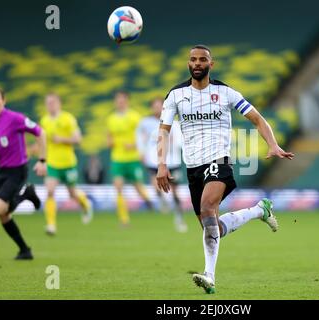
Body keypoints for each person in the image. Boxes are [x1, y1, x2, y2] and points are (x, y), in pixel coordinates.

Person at [156, 45, 295, 294]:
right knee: (213, 228)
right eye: (193, 59)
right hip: (193, 167)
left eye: (202, 60)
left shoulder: (225, 92)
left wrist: (273, 144)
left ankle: (209, 276)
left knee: (208, 207)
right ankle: (258, 211)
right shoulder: (175, 95)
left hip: (219, 161)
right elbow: (164, 131)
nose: (197, 63)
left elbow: (257, 119)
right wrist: (162, 163)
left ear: (211, 64)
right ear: (188, 64)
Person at [0, 87, 47, 260]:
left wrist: (42, 160)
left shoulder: (15, 118)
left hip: (17, 170)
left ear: (4, 101)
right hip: (1, 171)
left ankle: (26, 195)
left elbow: (40, 132)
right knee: (3, 214)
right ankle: (25, 250)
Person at [40, 93, 93, 236]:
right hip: (52, 163)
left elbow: (78, 139)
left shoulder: (67, 118)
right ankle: (51, 225)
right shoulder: (44, 121)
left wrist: (62, 139)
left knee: (72, 193)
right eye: (48, 103)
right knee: (50, 191)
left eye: (52, 102)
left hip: (68, 163)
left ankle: (86, 204)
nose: (50, 105)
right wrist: (41, 159)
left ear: (59, 103)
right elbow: (43, 141)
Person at [137, 97, 187, 233]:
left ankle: (179, 217)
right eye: (155, 106)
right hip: (155, 161)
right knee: (156, 185)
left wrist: (171, 141)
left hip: (172, 161)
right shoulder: (145, 123)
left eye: (160, 106)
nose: (158, 108)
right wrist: (142, 152)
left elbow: (180, 142)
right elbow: (141, 139)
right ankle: (163, 199)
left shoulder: (175, 124)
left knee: (175, 192)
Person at [107, 91, 154, 226]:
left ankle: (148, 201)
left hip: (133, 158)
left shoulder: (134, 117)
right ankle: (124, 219)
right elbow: (109, 137)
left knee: (137, 187)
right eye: (118, 100)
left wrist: (134, 145)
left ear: (127, 101)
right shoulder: (111, 118)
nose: (120, 102)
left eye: (122, 100)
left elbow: (144, 136)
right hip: (117, 158)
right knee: (118, 188)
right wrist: (110, 142)